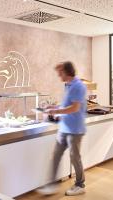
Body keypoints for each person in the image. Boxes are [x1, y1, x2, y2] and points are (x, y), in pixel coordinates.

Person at [39, 61, 87, 196]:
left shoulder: (78, 86)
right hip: (64, 128)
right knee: (55, 156)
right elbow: (66, 104)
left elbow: (75, 107)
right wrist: (54, 107)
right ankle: (51, 185)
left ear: (66, 71)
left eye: (60, 72)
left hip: (75, 129)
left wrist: (57, 112)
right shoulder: (68, 86)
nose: (58, 75)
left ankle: (80, 185)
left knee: (74, 158)